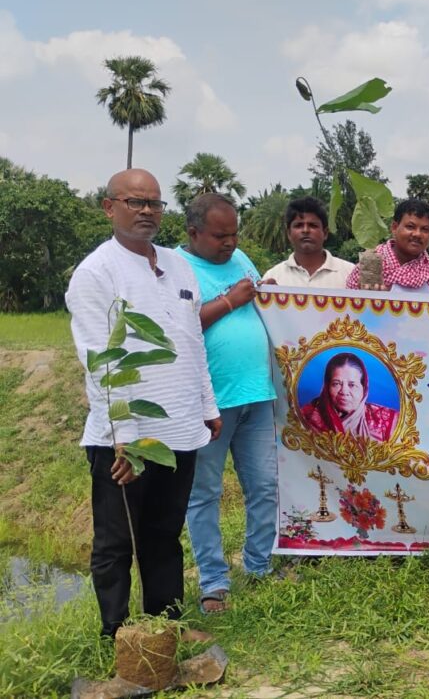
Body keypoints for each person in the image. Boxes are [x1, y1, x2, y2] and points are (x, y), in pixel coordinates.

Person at [66, 169, 221, 638]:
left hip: (179, 430)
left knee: (164, 535)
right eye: (135, 202)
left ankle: (165, 628)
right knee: (116, 543)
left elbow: (192, 342)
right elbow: (101, 363)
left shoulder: (178, 265)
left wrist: (207, 406)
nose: (147, 211)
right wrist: (127, 440)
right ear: (109, 207)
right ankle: (116, 637)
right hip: (125, 438)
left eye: (154, 203)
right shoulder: (96, 273)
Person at [176, 193, 278, 614]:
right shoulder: (176, 268)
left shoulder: (241, 260)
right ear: (194, 232)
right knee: (204, 494)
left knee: (265, 487)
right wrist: (231, 300)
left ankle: (259, 566)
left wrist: (271, 296)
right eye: (220, 236)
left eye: (235, 234)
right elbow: (177, 325)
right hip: (210, 403)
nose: (230, 243)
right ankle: (214, 582)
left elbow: (258, 301)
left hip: (257, 395)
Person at [346, 198, 429, 293]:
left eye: (425, 229)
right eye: (410, 227)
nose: (417, 234)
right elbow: (351, 301)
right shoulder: (371, 264)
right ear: (394, 227)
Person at [301, 352, 397, 443]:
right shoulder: (306, 417)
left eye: (352, 385)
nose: (344, 392)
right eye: (336, 384)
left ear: (364, 388)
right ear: (327, 387)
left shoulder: (387, 422)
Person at [262, 196, 354, 288]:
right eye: (299, 225)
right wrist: (269, 293)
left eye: (313, 225)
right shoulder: (272, 277)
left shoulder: (350, 273)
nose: (305, 230)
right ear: (289, 233)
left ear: (325, 233)